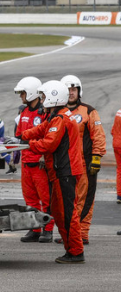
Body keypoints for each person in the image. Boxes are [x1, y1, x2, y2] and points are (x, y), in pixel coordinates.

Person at [16, 80, 87, 264]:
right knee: (59, 211)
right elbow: (41, 129)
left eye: (45, 96)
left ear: (54, 97)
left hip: (66, 172)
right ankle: (71, 249)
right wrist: (23, 136)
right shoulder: (55, 116)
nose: (42, 99)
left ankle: (76, 252)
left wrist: (27, 144)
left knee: (67, 214)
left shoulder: (61, 118)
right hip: (61, 171)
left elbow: (48, 144)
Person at [61, 75, 106, 245]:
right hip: (65, 165)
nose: (71, 93)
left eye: (74, 89)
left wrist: (96, 157)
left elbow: (98, 136)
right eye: (68, 90)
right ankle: (71, 233)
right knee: (68, 200)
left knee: (85, 198)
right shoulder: (59, 112)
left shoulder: (89, 111)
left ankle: (82, 233)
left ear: (79, 91)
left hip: (85, 164)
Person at [13, 76, 54, 243]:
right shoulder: (23, 111)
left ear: (30, 93)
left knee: (46, 198)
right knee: (30, 198)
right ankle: (35, 228)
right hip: (26, 161)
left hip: (39, 163)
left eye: (22, 93)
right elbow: (19, 136)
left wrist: (44, 156)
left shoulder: (44, 113)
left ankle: (48, 229)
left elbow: (48, 136)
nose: (21, 96)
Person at [113, 106, 121, 204]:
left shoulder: (118, 112)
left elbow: (113, 130)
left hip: (116, 143)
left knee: (119, 169)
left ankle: (119, 195)